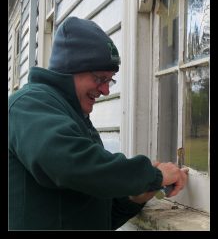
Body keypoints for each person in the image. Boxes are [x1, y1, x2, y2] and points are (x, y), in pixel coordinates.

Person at [9, 16, 188, 230]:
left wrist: (136, 197)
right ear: (69, 70)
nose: (106, 90)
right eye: (100, 79)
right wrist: (152, 175)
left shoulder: (73, 116)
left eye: (109, 80)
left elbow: (98, 215)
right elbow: (69, 163)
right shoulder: (28, 104)